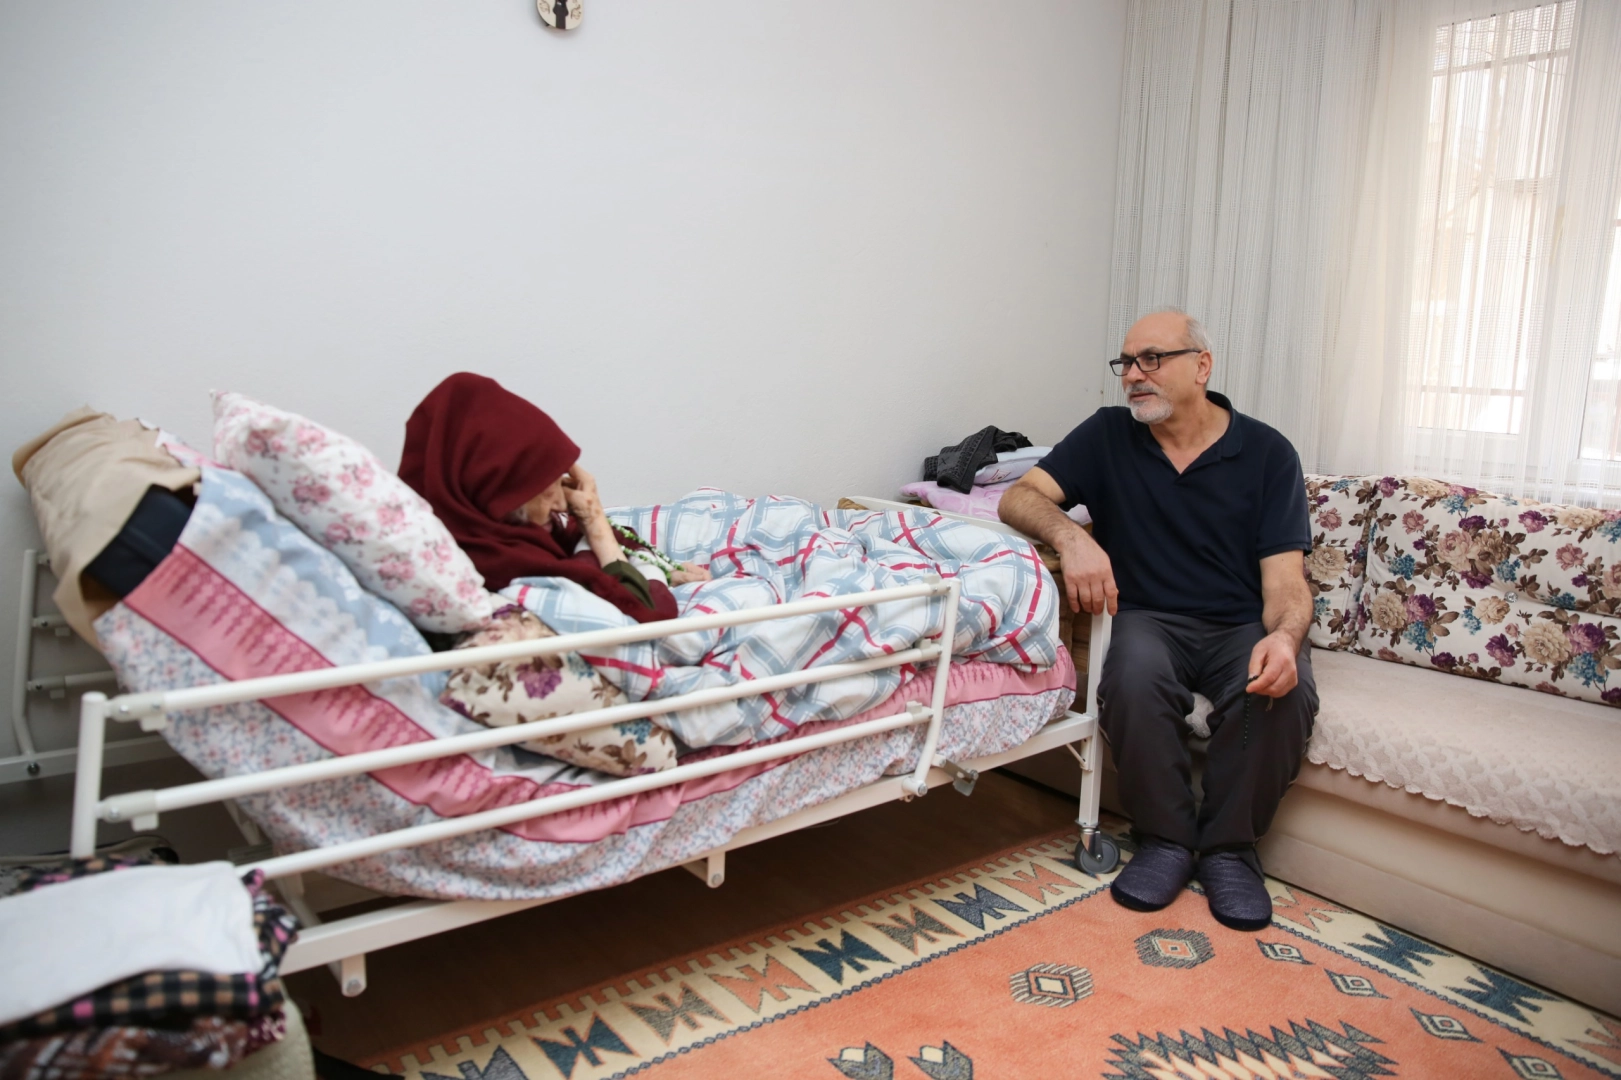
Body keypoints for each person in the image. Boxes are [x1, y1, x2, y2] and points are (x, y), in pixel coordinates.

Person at [998, 309, 1316, 931]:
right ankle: (1165, 840)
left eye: (1152, 359)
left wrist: (1283, 638)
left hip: (1241, 623)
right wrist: (1074, 538)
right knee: (1130, 679)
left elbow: (1285, 583)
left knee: (1283, 689)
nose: (1133, 375)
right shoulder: (1107, 435)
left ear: (1202, 367)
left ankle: (1230, 851)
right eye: (1126, 362)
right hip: (1149, 617)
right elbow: (1018, 495)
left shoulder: (1268, 453)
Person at [399, 373, 709, 625]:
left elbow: (571, 531)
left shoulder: (477, 522)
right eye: (547, 486)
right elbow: (649, 614)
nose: (562, 504)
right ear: (500, 489)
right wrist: (596, 526)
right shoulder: (501, 561)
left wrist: (663, 567)